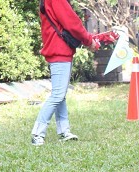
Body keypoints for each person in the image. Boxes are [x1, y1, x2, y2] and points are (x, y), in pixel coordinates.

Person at [30, 0, 100, 146]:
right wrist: (89, 41)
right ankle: (37, 133)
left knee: (60, 95)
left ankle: (64, 131)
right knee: (58, 95)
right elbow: (72, 22)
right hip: (59, 50)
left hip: (56, 49)